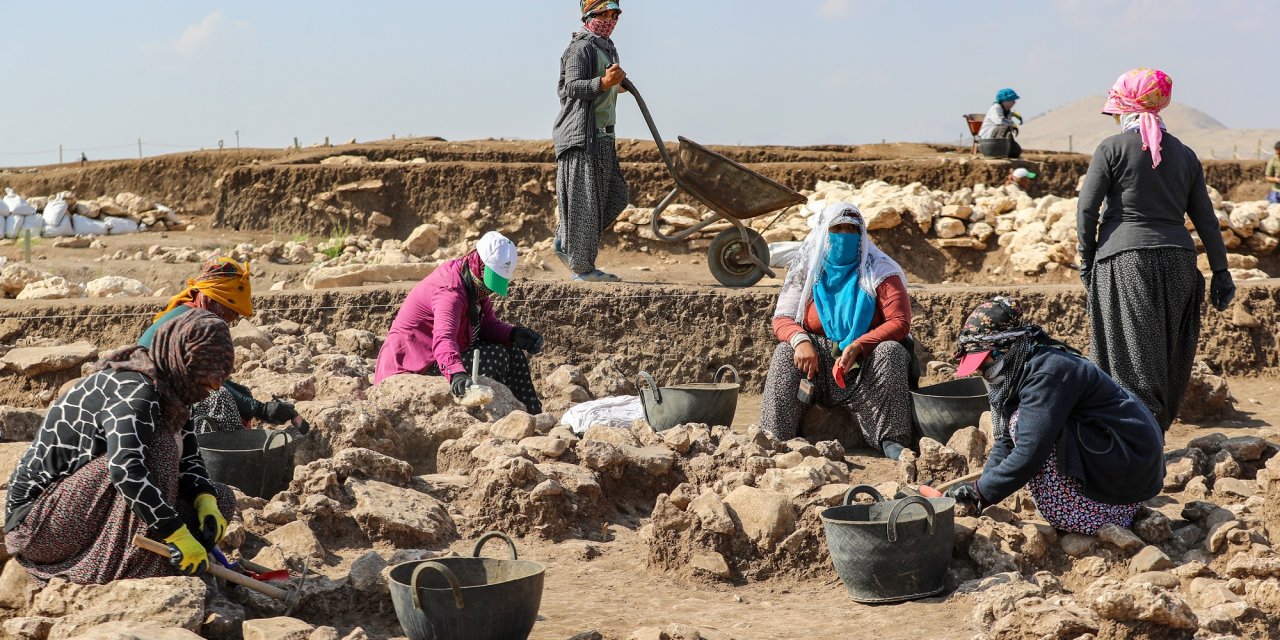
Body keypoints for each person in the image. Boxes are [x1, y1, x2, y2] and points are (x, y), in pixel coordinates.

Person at [4, 310, 239, 584]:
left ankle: (174, 559)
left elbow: (190, 456)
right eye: (205, 376)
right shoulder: (136, 391)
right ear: (181, 358)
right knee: (160, 450)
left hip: (91, 509)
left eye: (218, 380)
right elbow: (126, 470)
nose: (211, 386)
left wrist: (204, 499)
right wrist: (175, 532)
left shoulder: (175, 393)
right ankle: (140, 575)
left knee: (222, 498)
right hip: (39, 526)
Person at [1077, 68, 1235, 432]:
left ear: (1125, 107)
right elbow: (1207, 221)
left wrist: (1087, 260)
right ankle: (1153, 436)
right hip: (1180, 262)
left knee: (1130, 358)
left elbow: (1087, 209)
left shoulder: (1111, 148)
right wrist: (1221, 273)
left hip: (1126, 260)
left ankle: (1136, 449)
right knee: (1170, 356)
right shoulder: (1185, 154)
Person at [945, 297, 1164, 535]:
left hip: (1129, 466)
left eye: (982, 361)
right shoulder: (1024, 367)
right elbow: (1006, 441)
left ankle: (1092, 513)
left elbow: (1030, 451)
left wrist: (980, 493)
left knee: (1026, 424)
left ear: (1005, 348)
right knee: (1022, 423)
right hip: (1118, 460)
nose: (979, 370)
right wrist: (979, 492)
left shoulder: (1048, 371)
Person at [761, 203, 915, 459]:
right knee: (784, 352)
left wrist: (860, 344)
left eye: (852, 229)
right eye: (837, 228)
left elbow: (899, 321)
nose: (844, 235)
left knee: (891, 351)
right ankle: (774, 437)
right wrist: (801, 342)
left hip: (864, 361)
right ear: (824, 232)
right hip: (817, 361)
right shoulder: (806, 270)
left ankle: (892, 439)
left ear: (862, 234)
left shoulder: (880, 270)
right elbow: (783, 318)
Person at [374, 231, 545, 413]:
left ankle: (531, 414)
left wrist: (513, 334)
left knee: (511, 349)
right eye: (488, 282)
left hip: (440, 354)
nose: (489, 290)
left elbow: (487, 325)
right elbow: (443, 339)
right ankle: (494, 414)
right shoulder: (450, 292)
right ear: (478, 264)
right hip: (413, 364)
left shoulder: (472, 282)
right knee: (496, 356)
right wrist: (456, 373)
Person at [139, 256, 299, 434]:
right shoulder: (196, 322)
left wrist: (255, 406)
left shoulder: (192, 311)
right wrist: (260, 409)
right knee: (219, 399)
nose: (233, 319)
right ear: (212, 300)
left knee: (240, 392)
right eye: (232, 311)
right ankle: (223, 454)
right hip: (151, 393)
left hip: (166, 387)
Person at [552, 0, 629, 283]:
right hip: (583, 137)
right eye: (603, 14)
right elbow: (572, 87)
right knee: (586, 205)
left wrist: (614, 85)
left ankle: (565, 240)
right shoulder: (580, 48)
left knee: (617, 197)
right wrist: (603, 83)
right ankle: (583, 270)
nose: (609, 20)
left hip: (604, 136)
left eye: (614, 15)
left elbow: (605, 84)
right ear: (588, 16)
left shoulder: (607, 48)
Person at [979, 88, 1024, 159]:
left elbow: (1008, 115)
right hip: (988, 141)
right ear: (1005, 101)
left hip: (995, 139)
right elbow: (1001, 121)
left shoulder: (1006, 110)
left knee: (1016, 150)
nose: (1014, 102)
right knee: (1004, 127)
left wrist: (1014, 114)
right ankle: (998, 152)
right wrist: (1013, 124)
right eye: (1012, 100)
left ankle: (1006, 151)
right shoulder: (996, 108)